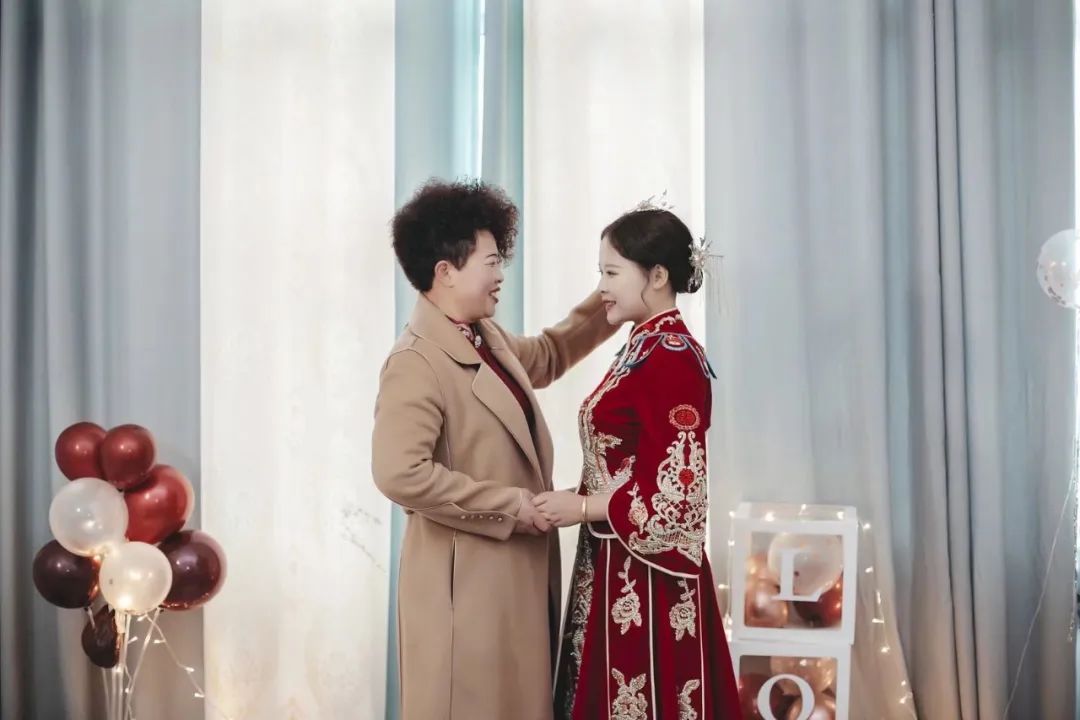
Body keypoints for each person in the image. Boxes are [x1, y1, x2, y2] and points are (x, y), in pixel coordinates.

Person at [372, 179, 619, 720]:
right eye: (490, 262)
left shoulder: (484, 335)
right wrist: (513, 505)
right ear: (445, 271)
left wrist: (612, 297)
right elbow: (399, 473)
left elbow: (550, 353)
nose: (501, 273)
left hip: (508, 576)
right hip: (465, 585)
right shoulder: (415, 361)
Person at [534, 204, 743, 720]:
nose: (601, 288)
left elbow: (678, 497)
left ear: (657, 276)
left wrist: (583, 508)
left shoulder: (672, 357)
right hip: (616, 561)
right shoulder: (643, 347)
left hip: (647, 578)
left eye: (611, 273)